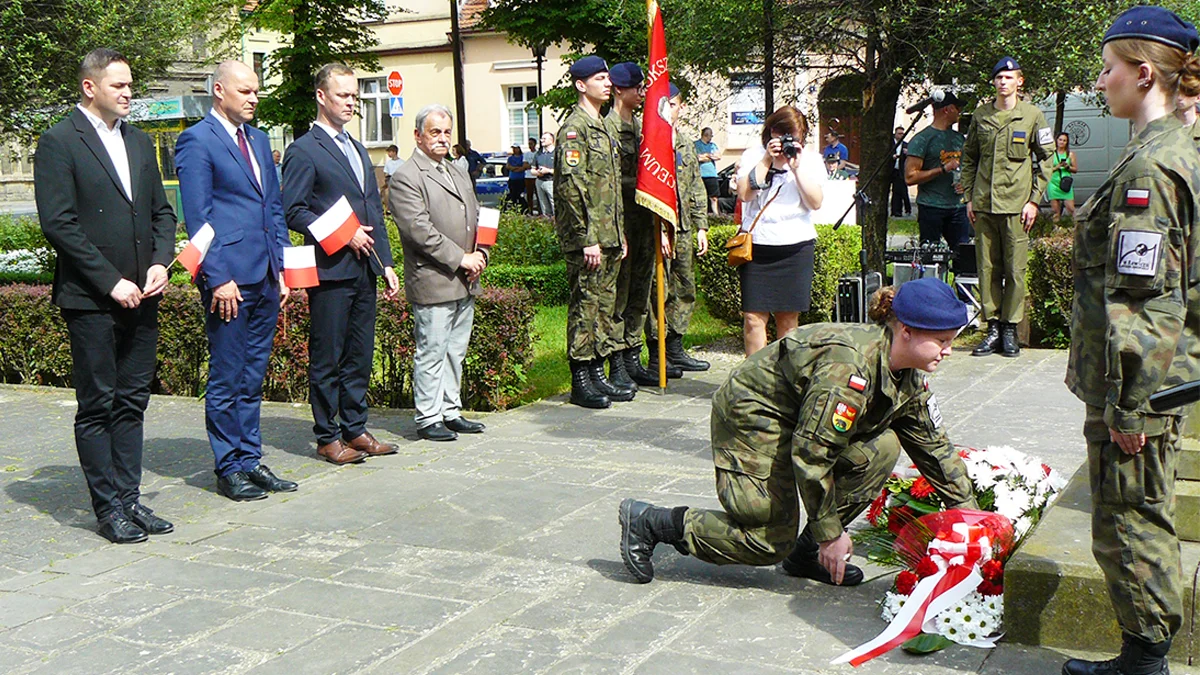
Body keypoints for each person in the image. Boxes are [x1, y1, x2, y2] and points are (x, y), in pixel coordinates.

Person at [619, 278, 978, 586]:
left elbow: (936, 451)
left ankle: (806, 555)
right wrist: (833, 534)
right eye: (942, 341)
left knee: (882, 448)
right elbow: (811, 455)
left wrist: (976, 525)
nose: (948, 351)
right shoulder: (849, 370)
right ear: (906, 331)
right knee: (767, 540)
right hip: (754, 414)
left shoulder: (909, 377)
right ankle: (653, 522)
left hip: (801, 421)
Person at [1063, 8, 1200, 675]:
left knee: (1129, 520)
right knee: (1136, 511)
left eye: (1110, 67)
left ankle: (1145, 660)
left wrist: (1129, 404)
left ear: (1144, 74)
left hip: (1138, 386)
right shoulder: (1162, 149)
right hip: (1147, 379)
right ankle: (1141, 653)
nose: (1100, 78)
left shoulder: (1151, 169)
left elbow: (1146, 300)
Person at [34, 48, 178, 543]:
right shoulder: (58, 142)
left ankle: (131, 499)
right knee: (98, 403)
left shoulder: (138, 142)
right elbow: (60, 224)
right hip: (93, 298)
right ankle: (108, 509)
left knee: (133, 401)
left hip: (145, 293)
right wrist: (109, 280)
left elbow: (162, 212)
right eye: (119, 85)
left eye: (131, 84)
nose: (129, 93)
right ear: (90, 87)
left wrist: (160, 261)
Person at [175, 60, 293, 502]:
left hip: (265, 275)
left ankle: (250, 458)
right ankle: (228, 467)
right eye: (245, 91)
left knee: (253, 373)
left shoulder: (260, 141)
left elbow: (274, 210)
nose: (254, 98)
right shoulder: (196, 141)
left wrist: (282, 270)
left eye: (257, 91)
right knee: (227, 374)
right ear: (219, 91)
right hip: (229, 279)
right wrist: (217, 276)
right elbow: (199, 218)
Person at [281, 63, 401, 465]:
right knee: (328, 355)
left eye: (354, 95)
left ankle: (355, 427)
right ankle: (327, 435)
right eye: (342, 95)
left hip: (364, 268)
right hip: (330, 270)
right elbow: (292, 210)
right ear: (321, 96)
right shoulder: (303, 149)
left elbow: (372, 209)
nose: (351, 102)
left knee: (359, 354)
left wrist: (385, 262)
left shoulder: (357, 148)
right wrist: (340, 235)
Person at [389, 104, 490, 442]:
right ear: (418, 135)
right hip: (435, 277)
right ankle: (428, 416)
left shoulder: (458, 170)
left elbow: (477, 217)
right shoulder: (407, 176)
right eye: (435, 132)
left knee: (455, 350)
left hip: (466, 276)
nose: (443, 139)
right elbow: (419, 231)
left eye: (447, 132)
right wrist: (461, 258)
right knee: (432, 349)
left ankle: (450, 409)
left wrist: (482, 253)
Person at [960, 56, 1053, 359]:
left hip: (1016, 206)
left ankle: (1010, 328)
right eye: (999, 78)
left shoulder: (1032, 116)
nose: (1003, 82)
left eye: (1009, 77)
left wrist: (1034, 201)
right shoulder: (980, 116)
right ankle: (992, 328)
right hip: (985, 205)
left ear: (1019, 81)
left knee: (1015, 270)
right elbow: (969, 158)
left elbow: (1047, 160)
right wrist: (969, 198)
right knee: (987, 269)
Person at [555, 55, 631, 408]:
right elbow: (573, 187)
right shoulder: (575, 129)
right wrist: (588, 237)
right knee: (585, 305)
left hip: (609, 235)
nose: (607, 83)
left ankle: (598, 370)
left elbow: (609, 188)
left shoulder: (604, 126)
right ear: (580, 85)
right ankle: (581, 376)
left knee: (604, 306)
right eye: (599, 78)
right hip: (588, 238)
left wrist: (618, 233)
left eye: (607, 78)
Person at [735, 106, 827, 356]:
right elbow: (745, 194)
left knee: (788, 320)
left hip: (795, 246)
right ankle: (755, 382)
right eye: (782, 135)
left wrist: (796, 168)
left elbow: (815, 202)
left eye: (794, 137)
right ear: (771, 131)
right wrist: (767, 159)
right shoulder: (754, 155)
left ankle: (785, 381)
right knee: (754, 318)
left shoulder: (809, 159)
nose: (787, 142)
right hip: (758, 246)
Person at [647, 84, 711, 373]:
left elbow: (696, 187)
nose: (668, 111)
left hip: (684, 227)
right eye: (663, 105)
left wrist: (701, 226)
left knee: (684, 287)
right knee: (657, 290)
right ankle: (656, 352)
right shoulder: (648, 142)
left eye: (672, 105)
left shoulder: (685, 142)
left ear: (681, 107)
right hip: (658, 227)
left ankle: (674, 346)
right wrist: (658, 230)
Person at [604, 61, 660, 388]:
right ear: (619, 90)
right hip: (621, 218)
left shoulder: (643, 127)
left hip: (643, 218)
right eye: (637, 88)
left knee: (641, 289)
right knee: (620, 294)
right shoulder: (608, 128)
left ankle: (631, 354)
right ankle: (616, 361)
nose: (642, 93)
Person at [905, 91, 970, 247]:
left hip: (958, 208)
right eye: (957, 108)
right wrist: (942, 169)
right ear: (946, 110)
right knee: (931, 257)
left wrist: (966, 183)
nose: (959, 112)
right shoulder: (922, 139)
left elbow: (968, 168)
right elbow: (910, 178)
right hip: (931, 207)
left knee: (963, 258)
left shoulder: (959, 138)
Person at [1047, 132, 1078, 223]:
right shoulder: (1051, 154)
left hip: (1065, 183)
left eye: (1064, 140)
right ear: (1056, 141)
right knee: (1055, 211)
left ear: (1067, 142)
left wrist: (1068, 167)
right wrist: (1057, 167)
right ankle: (1056, 231)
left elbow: (1075, 169)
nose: (1062, 142)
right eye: (1060, 140)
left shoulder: (1070, 154)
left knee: (1071, 209)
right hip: (1053, 183)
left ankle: (1077, 226)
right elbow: (1047, 170)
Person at [695, 127, 721, 214]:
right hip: (700, 175)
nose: (711, 138)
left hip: (712, 175)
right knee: (701, 197)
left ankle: (716, 215)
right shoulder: (696, 145)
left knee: (714, 197)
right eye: (710, 135)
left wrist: (706, 155)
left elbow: (718, 156)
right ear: (705, 135)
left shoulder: (712, 146)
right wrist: (710, 156)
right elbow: (696, 158)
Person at [532, 131, 556, 218]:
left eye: (544, 139)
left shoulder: (557, 153)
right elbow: (532, 170)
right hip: (539, 181)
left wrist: (548, 171)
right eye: (541, 138)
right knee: (543, 205)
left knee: (554, 203)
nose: (541, 140)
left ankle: (555, 222)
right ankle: (547, 222)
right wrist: (538, 172)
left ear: (551, 140)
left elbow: (560, 170)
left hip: (551, 181)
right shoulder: (538, 154)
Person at [889, 126, 911, 217]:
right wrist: (892, 156)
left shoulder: (906, 145)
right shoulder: (890, 144)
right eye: (899, 133)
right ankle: (895, 210)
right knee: (894, 191)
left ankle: (900, 210)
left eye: (902, 134)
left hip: (901, 171)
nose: (901, 135)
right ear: (895, 134)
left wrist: (907, 153)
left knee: (900, 190)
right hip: (891, 170)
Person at [502, 144, 528, 211]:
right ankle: (514, 208)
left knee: (520, 195)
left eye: (515, 148)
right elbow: (508, 167)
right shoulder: (510, 158)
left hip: (521, 179)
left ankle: (523, 209)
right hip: (512, 179)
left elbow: (524, 167)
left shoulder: (523, 157)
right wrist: (516, 168)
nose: (514, 150)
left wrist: (515, 168)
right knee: (513, 195)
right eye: (513, 148)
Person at [524, 137, 538, 214]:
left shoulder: (538, 153)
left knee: (539, 195)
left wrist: (531, 166)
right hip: (528, 176)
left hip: (536, 176)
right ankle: (530, 210)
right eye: (529, 144)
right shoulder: (526, 154)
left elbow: (538, 165)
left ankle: (540, 211)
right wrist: (532, 165)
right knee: (529, 195)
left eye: (531, 144)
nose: (530, 145)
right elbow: (524, 165)